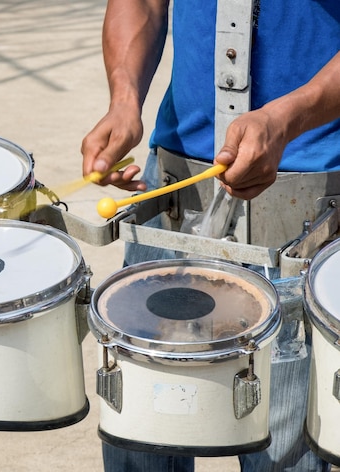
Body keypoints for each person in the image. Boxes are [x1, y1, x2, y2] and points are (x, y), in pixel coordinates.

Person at [81, 1, 340, 471]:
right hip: (175, 190)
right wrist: (124, 99)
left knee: (283, 454)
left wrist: (288, 117)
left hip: (306, 210)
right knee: (141, 439)